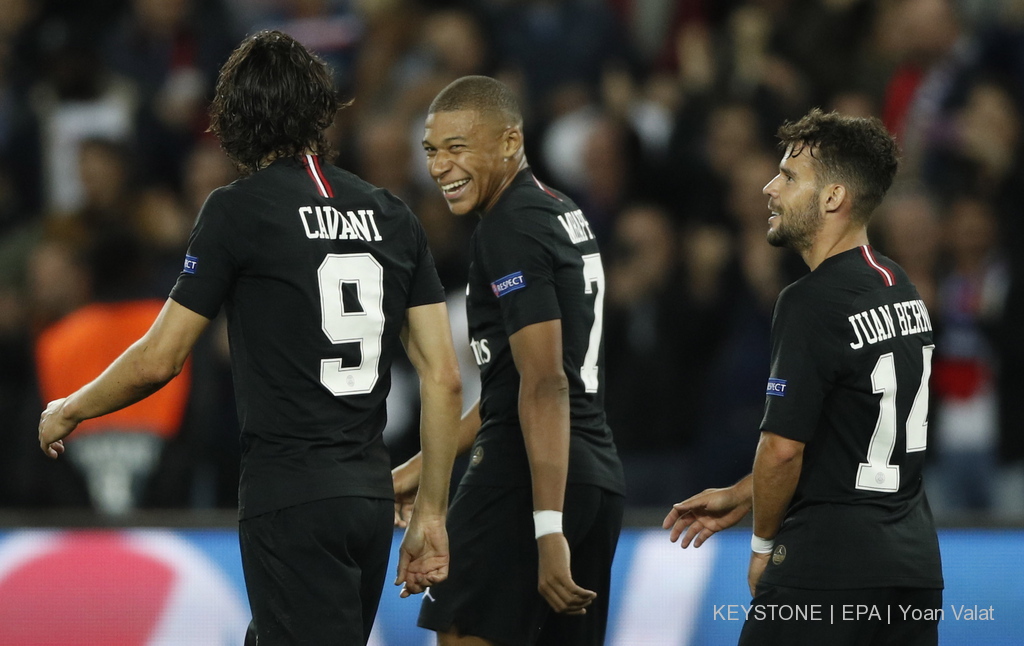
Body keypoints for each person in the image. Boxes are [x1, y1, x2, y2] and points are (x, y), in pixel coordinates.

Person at [38, 30, 462, 645]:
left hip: (290, 493)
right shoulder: (393, 215)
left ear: (236, 118)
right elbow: (444, 379)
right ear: (319, 108)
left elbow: (161, 358)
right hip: (367, 498)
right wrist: (430, 511)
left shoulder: (238, 210)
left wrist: (70, 408)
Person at [663, 109, 944, 645]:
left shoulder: (810, 301)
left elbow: (783, 450)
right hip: (913, 575)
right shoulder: (900, 287)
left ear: (833, 197)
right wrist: (748, 492)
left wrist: (763, 546)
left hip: (826, 572)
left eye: (789, 177)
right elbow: (852, 444)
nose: (770, 188)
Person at [393, 75, 626, 645]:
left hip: (525, 478)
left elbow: (545, 384)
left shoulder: (508, 227)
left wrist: (547, 530)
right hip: (592, 476)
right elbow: (514, 384)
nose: (440, 166)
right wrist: (426, 466)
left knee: (462, 635)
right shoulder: (559, 210)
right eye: (431, 150)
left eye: (457, 147)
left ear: (509, 142)